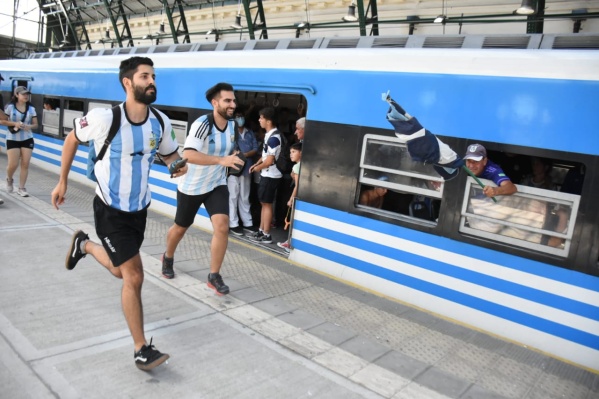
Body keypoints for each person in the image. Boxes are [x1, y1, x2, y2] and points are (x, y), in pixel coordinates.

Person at [50, 56, 186, 371]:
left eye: (153, 76)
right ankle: (141, 350)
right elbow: (72, 138)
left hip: (139, 210)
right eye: (144, 76)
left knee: (118, 271)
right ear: (128, 82)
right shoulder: (104, 118)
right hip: (110, 209)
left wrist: (179, 166)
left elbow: (169, 156)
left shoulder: (160, 122)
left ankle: (82, 245)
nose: (152, 82)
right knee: (134, 276)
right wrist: (62, 180)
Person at [162, 82, 244, 296]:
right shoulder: (203, 124)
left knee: (222, 226)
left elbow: (229, 151)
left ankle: (214, 276)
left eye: (233, 100)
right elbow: (188, 154)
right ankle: (168, 257)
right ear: (215, 103)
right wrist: (220, 160)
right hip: (192, 186)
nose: (232, 104)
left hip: (216, 184)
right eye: (227, 100)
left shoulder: (233, 125)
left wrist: (234, 159)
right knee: (181, 227)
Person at [248, 107, 282, 244]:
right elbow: (264, 156)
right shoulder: (269, 135)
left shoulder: (274, 138)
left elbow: (269, 160)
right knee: (263, 203)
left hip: (271, 175)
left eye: (261, 118)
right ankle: (261, 231)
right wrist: (256, 163)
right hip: (267, 174)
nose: (259, 120)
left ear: (268, 121)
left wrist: (258, 168)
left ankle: (267, 234)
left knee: (267, 204)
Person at [2, 86, 38, 197]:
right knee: (13, 164)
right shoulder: (10, 107)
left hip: (27, 138)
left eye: (27, 94)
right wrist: (15, 124)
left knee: (25, 163)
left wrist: (29, 126)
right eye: (23, 94)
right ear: (17, 95)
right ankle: (9, 179)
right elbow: (2, 121)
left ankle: (21, 188)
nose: (26, 96)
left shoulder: (31, 109)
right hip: (12, 138)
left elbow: (36, 124)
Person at [228, 108, 259, 236]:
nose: (240, 119)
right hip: (234, 168)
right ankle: (233, 223)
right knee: (233, 196)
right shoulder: (230, 132)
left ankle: (247, 223)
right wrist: (242, 154)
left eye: (241, 116)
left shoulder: (249, 133)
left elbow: (255, 148)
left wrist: (244, 154)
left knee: (245, 196)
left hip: (247, 168)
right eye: (237, 116)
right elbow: (231, 149)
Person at [277, 142, 302, 252]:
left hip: (297, 197)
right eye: (290, 152)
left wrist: (291, 199)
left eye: (294, 152)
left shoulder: (296, 167)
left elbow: (297, 185)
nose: (291, 154)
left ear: (301, 153)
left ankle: (289, 243)